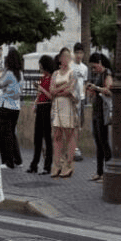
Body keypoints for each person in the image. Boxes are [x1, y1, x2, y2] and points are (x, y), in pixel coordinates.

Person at [50, 47, 78, 178]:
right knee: (57, 135)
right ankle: (57, 164)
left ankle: (68, 164)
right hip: (57, 107)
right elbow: (51, 91)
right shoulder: (55, 73)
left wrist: (58, 89)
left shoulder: (72, 73)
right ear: (60, 58)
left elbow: (71, 89)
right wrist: (63, 87)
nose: (66, 59)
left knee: (69, 135)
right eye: (64, 56)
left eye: (68, 56)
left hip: (68, 107)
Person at [87, 53, 113, 182]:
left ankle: (107, 172)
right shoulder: (98, 75)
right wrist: (92, 91)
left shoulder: (107, 73)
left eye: (94, 66)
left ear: (100, 62)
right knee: (98, 142)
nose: (94, 69)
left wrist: (96, 88)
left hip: (103, 112)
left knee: (103, 142)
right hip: (96, 111)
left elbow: (109, 90)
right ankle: (99, 171)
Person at [0, 47, 24, 169]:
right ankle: (17, 159)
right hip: (16, 107)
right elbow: (20, 90)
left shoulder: (8, 73)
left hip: (6, 106)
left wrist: (3, 72)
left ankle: (8, 161)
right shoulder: (20, 74)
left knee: (5, 134)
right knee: (12, 133)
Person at [28, 54, 54, 175]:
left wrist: (41, 89)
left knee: (47, 138)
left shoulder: (52, 78)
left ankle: (47, 165)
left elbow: (51, 96)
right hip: (40, 106)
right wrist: (35, 103)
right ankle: (34, 164)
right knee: (37, 137)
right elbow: (40, 93)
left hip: (47, 106)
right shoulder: (43, 78)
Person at [71, 43, 88, 161]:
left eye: (81, 53)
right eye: (77, 52)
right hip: (71, 99)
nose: (79, 55)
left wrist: (83, 95)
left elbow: (85, 82)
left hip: (80, 99)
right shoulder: (70, 67)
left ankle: (76, 147)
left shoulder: (84, 68)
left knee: (79, 124)